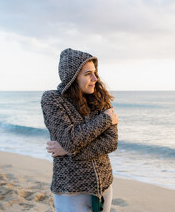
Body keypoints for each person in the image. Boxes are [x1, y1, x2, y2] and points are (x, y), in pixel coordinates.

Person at [41, 48, 119, 212]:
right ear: (72, 76)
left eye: (95, 73)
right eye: (87, 74)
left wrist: (69, 152)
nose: (95, 78)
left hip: (104, 185)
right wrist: (106, 119)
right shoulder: (52, 100)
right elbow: (70, 139)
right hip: (71, 190)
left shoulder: (100, 99)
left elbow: (111, 142)